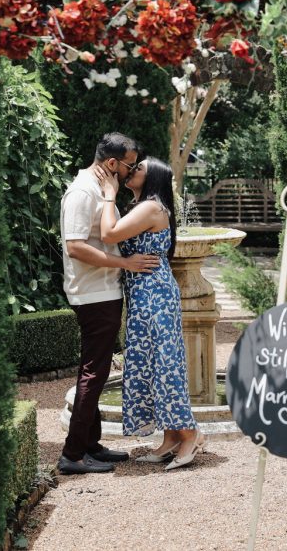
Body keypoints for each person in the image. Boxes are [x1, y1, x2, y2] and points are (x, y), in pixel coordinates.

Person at [58, 132, 161, 475]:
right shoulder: (83, 193)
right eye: (129, 165)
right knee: (94, 372)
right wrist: (126, 264)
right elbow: (75, 247)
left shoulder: (99, 190)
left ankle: (91, 444)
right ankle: (73, 455)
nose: (132, 172)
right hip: (93, 294)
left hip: (102, 292)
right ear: (112, 163)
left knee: (96, 370)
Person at [97, 156, 204, 470]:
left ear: (154, 178)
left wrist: (108, 193)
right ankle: (171, 438)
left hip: (153, 293)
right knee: (154, 363)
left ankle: (190, 435)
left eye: (139, 168)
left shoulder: (152, 207)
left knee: (163, 362)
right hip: (146, 292)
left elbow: (109, 234)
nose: (132, 171)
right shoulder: (145, 206)